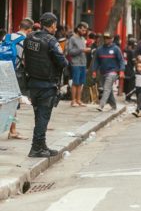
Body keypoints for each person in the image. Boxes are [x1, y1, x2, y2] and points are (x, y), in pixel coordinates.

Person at [23, 12, 68, 157]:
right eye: (55, 24)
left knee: (39, 116)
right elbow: (62, 62)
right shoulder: (51, 41)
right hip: (47, 85)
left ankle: (41, 145)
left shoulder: (29, 37)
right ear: (53, 24)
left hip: (32, 83)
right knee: (43, 116)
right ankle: (36, 148)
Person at [8, 18, 34, 140]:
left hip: (3, 71)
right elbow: (26, 60)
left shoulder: (7, 37)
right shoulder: (26, 41)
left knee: (6, 101)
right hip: (15, 73)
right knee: (14, 103)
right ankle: (13, 130)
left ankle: (12, 128)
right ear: (29, 30)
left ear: (19, 26)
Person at [92, 33, 125, 112]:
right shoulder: (99, 50)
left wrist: (121, 71)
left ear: (112, 39)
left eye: (108, 38)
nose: (107, 39)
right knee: (108, 89)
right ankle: (113, 105)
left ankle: (101, 105)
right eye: (105, 38)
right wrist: (94, 71)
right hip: (103, 72)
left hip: (112, 72)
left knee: (106, 89)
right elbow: (96, 61)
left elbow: (121, 61)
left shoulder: (116, 49)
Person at [67, 22, 90, 107]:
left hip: (83, 63)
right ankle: (73, 100)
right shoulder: (72, 39)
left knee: (81, 82)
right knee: (75, 82)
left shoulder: (83, 39)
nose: (84, 32)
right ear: (78, 29)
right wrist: (82, 50)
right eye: (83, 30)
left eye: (85, 30)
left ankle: (79, 100)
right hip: (75, 63)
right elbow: (70, 52)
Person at [124, 38, 137, 102]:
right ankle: (128, 97)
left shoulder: (125, 50)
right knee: (131, 84)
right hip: (130, 70)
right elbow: (133, 61)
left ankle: (127, 96)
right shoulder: (132, 51)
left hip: (125, 69)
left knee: (126, 83)